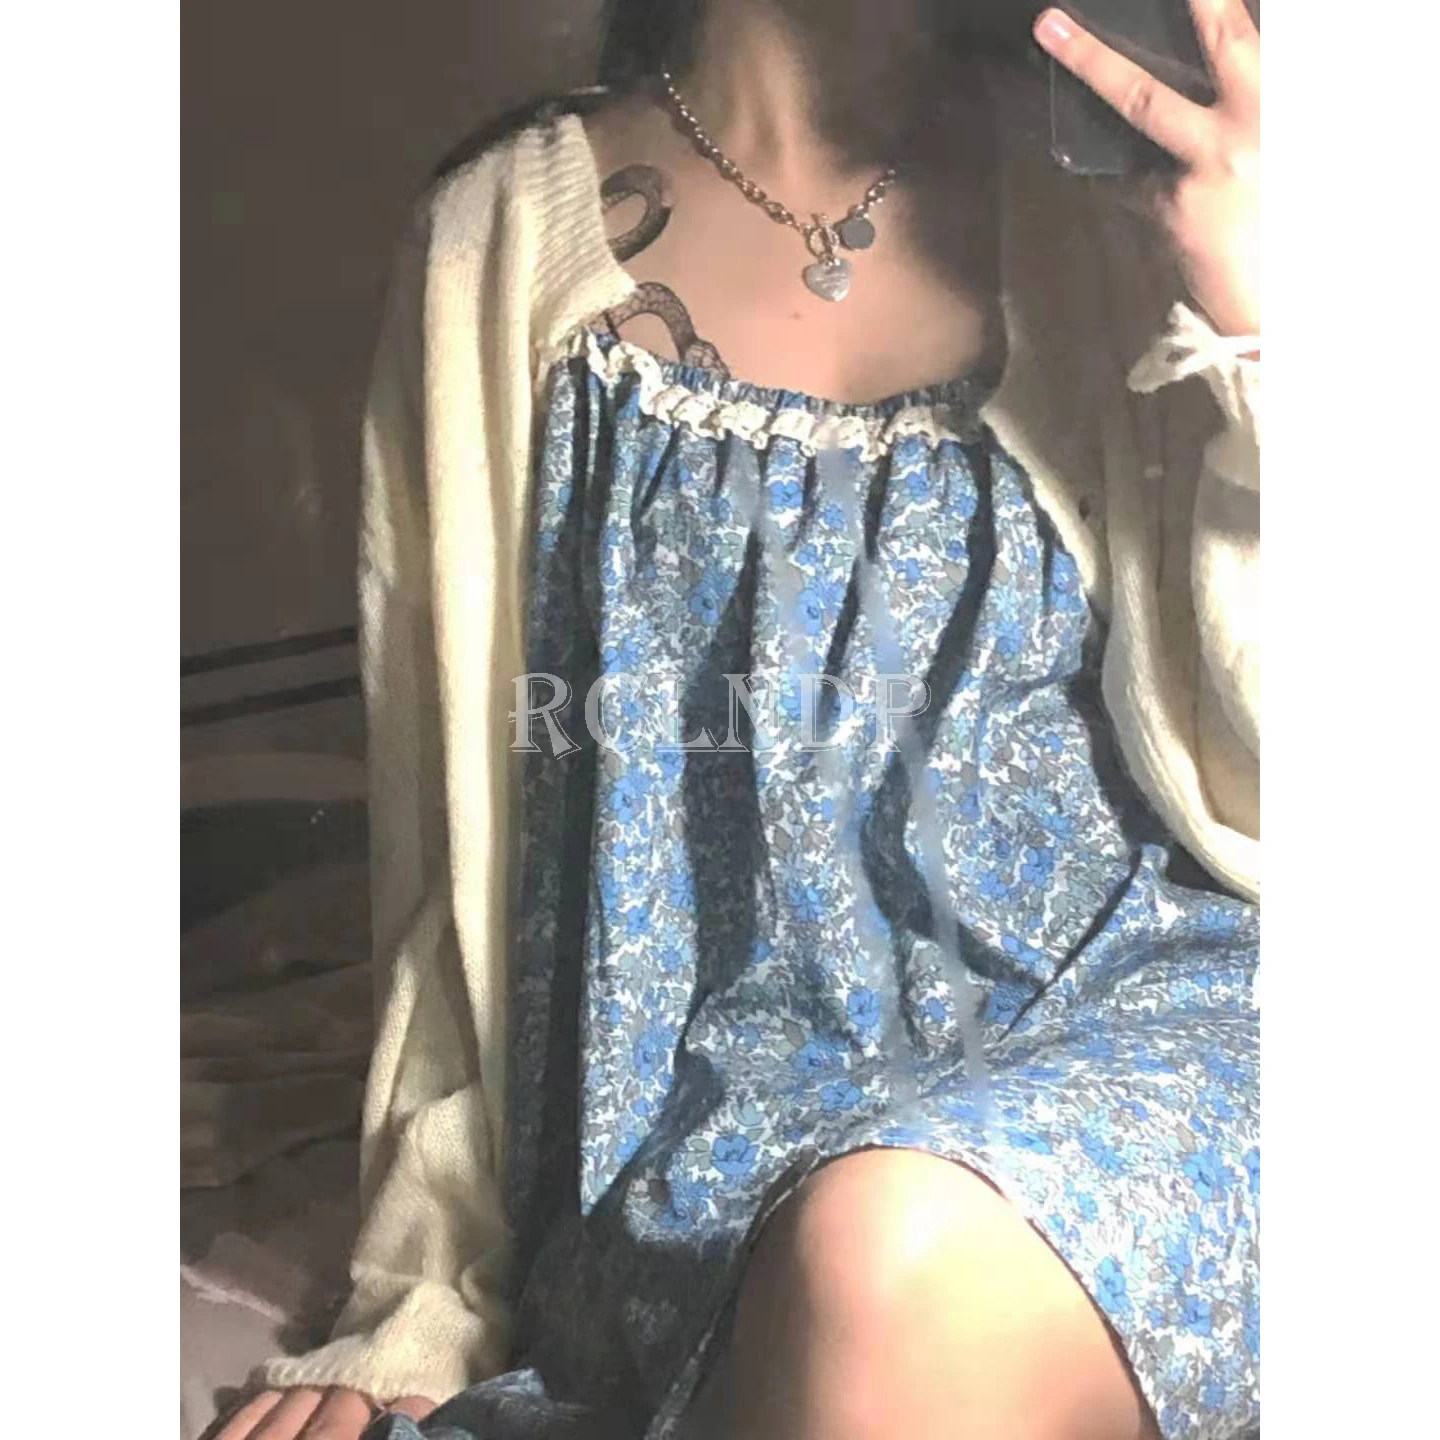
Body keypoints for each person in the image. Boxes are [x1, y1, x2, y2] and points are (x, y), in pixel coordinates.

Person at [218, 1, 1260, 1436]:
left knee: (882, 1251)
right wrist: (425, 1281)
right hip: (702, 1143)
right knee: (858, 1250)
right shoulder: (496, 243)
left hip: (1166, 1025)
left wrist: (1280, 335)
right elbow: (451, 841)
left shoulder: (1141, 193)